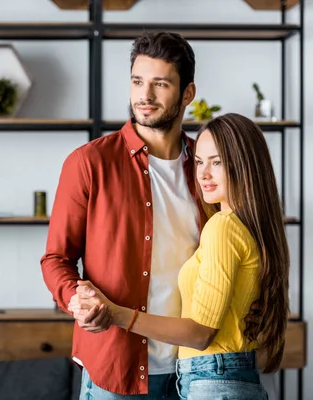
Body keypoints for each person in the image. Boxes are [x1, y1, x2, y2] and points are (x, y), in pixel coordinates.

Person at [40, 31, 260, 399]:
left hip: (194, 368)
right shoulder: (89, 163)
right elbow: (56, 258)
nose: (145, 96)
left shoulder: (207, 171)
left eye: (160, 84)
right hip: (115, 367)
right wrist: (76, 299)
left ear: (188, 93)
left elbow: (241, 244)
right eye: (138, 81)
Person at [68, 112, 290, 399]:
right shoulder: (247, 226)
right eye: (199, 161)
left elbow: (200, 334)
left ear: (245, 164)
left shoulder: (223, 227)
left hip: (213, 379)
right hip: (221, 375)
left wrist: (116, 314)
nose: (203, 174)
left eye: (218, 162)